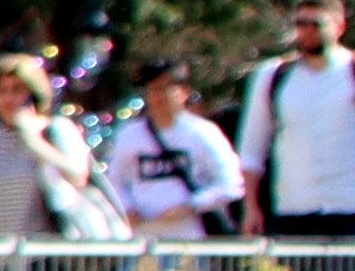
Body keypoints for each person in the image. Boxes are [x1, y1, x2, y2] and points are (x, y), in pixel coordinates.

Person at [237, 0, 355, 253]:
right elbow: (252, 149)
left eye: (316, 24)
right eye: (301, 23)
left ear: (339, 26)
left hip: (351, 209)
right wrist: (251, 208)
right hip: (292, 210)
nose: (307, 31)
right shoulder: (273, 75)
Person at [0, 50, 112, 239]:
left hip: (39, 257)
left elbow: (77, 176)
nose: (9, 99)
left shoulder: (57, 130)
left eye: (17, 90)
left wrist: (34, 141)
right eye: (2, 91)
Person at [101, 61, 247, 242]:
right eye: (153, 89)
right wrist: (127, 209)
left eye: (166, 88)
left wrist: (191, 206)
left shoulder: (202, 132)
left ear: (184, 91)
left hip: (192, 237)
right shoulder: (129, 134)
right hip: (144, 237)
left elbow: (232, 183)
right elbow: (114, 180)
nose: (159, 96)